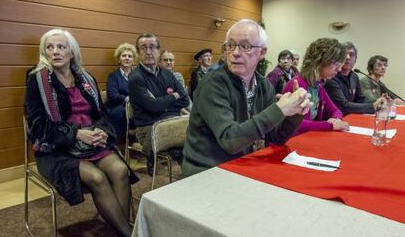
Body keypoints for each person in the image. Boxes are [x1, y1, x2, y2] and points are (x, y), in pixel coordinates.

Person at [24, 29, 137, 237]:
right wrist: (77, 134)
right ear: (44, 52)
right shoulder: (37, 80)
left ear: (72, 52)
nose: (55, 51)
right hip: (55, 150)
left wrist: (101, 132)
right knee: (97, 178)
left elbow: (102, 115)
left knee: (120, 170)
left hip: (92, 144)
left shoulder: (87, 79)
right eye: (50, 47)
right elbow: (37, 128)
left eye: (61, 47)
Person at [182, 19, 312, 176]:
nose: (235, 52)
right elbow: (229, 140)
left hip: (242, 164)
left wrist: (295, 112)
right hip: (206, 171)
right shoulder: (212, 84)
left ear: (262, 52)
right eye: (230, 45)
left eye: (245, 46)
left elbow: (275, 138)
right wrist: (278, 109)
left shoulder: (264, 85)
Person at [128, 33, 189, 175]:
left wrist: (161, 103)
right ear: (138, 52)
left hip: (171, 121)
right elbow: (152, 106)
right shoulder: (136, 78)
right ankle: (188, 173)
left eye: (152, 47)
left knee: (195, 137)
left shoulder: (167, 73)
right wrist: (173, 97)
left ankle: (193, 174)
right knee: (185, 144)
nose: (148, 52)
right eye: (143, 48)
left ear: (158, 51)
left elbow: (185, 99)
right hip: (149, 127)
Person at [283, 38, 349, 134]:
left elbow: (336, 111)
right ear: (319, 62)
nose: (339, 69)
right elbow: (295, 124)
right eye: (335, 64)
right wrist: (329, 125)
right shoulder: (295, 84)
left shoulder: (318, 87)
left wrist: (336, 120)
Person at [324, 42, 386, 115]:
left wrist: (378, 103)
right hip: (335, 119)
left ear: (355, 59)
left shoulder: (354, 76)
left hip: (351, 117)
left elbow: (360, 99)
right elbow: (342, 105)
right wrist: (372, 106)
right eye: (344, 54)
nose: (348, 57)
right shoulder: (331, 77)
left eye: (351, 54)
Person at [105, 43, 137, 137]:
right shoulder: (113, 76)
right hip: (117, 106)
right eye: (124, 56)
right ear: (119, 59)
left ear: (133, 60)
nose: (127, 58)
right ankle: (128, 133)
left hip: (135, 106)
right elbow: (112, 95)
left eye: (130, 56)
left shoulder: (138, 76)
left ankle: (142, 133)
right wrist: (128, 99)